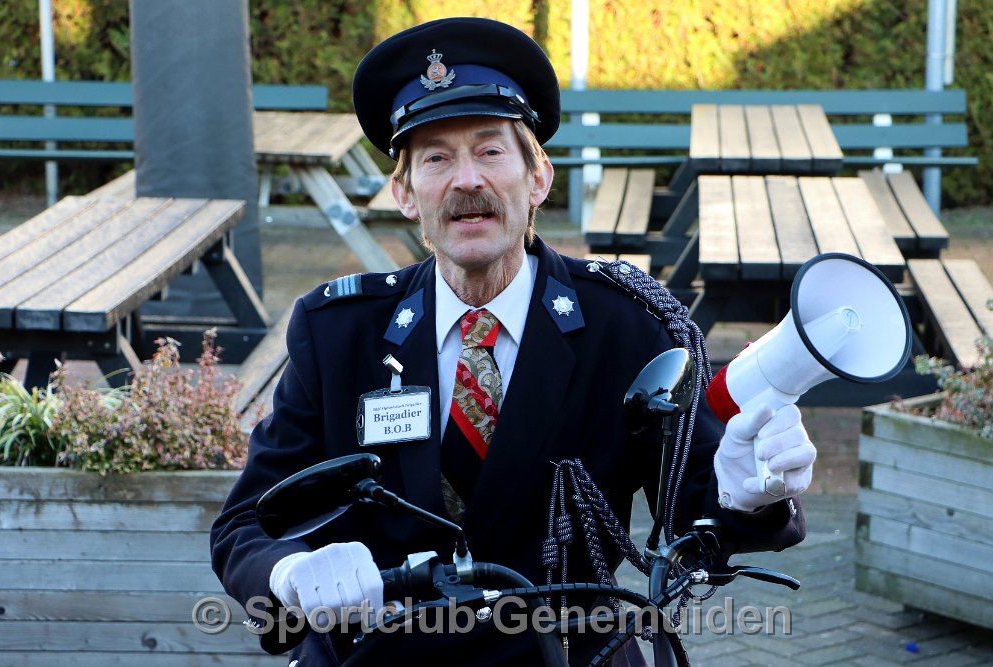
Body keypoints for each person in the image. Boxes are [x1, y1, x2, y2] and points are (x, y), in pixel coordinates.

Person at [211, 16, 816, 666]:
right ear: (405, 194)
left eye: (490, 151)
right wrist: (291, 572)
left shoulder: (626, 323)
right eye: (436, 158)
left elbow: (698, 510)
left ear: (538, 179)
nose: (466, 180)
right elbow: (248, 524)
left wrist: (749, 493)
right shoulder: (337, 331)